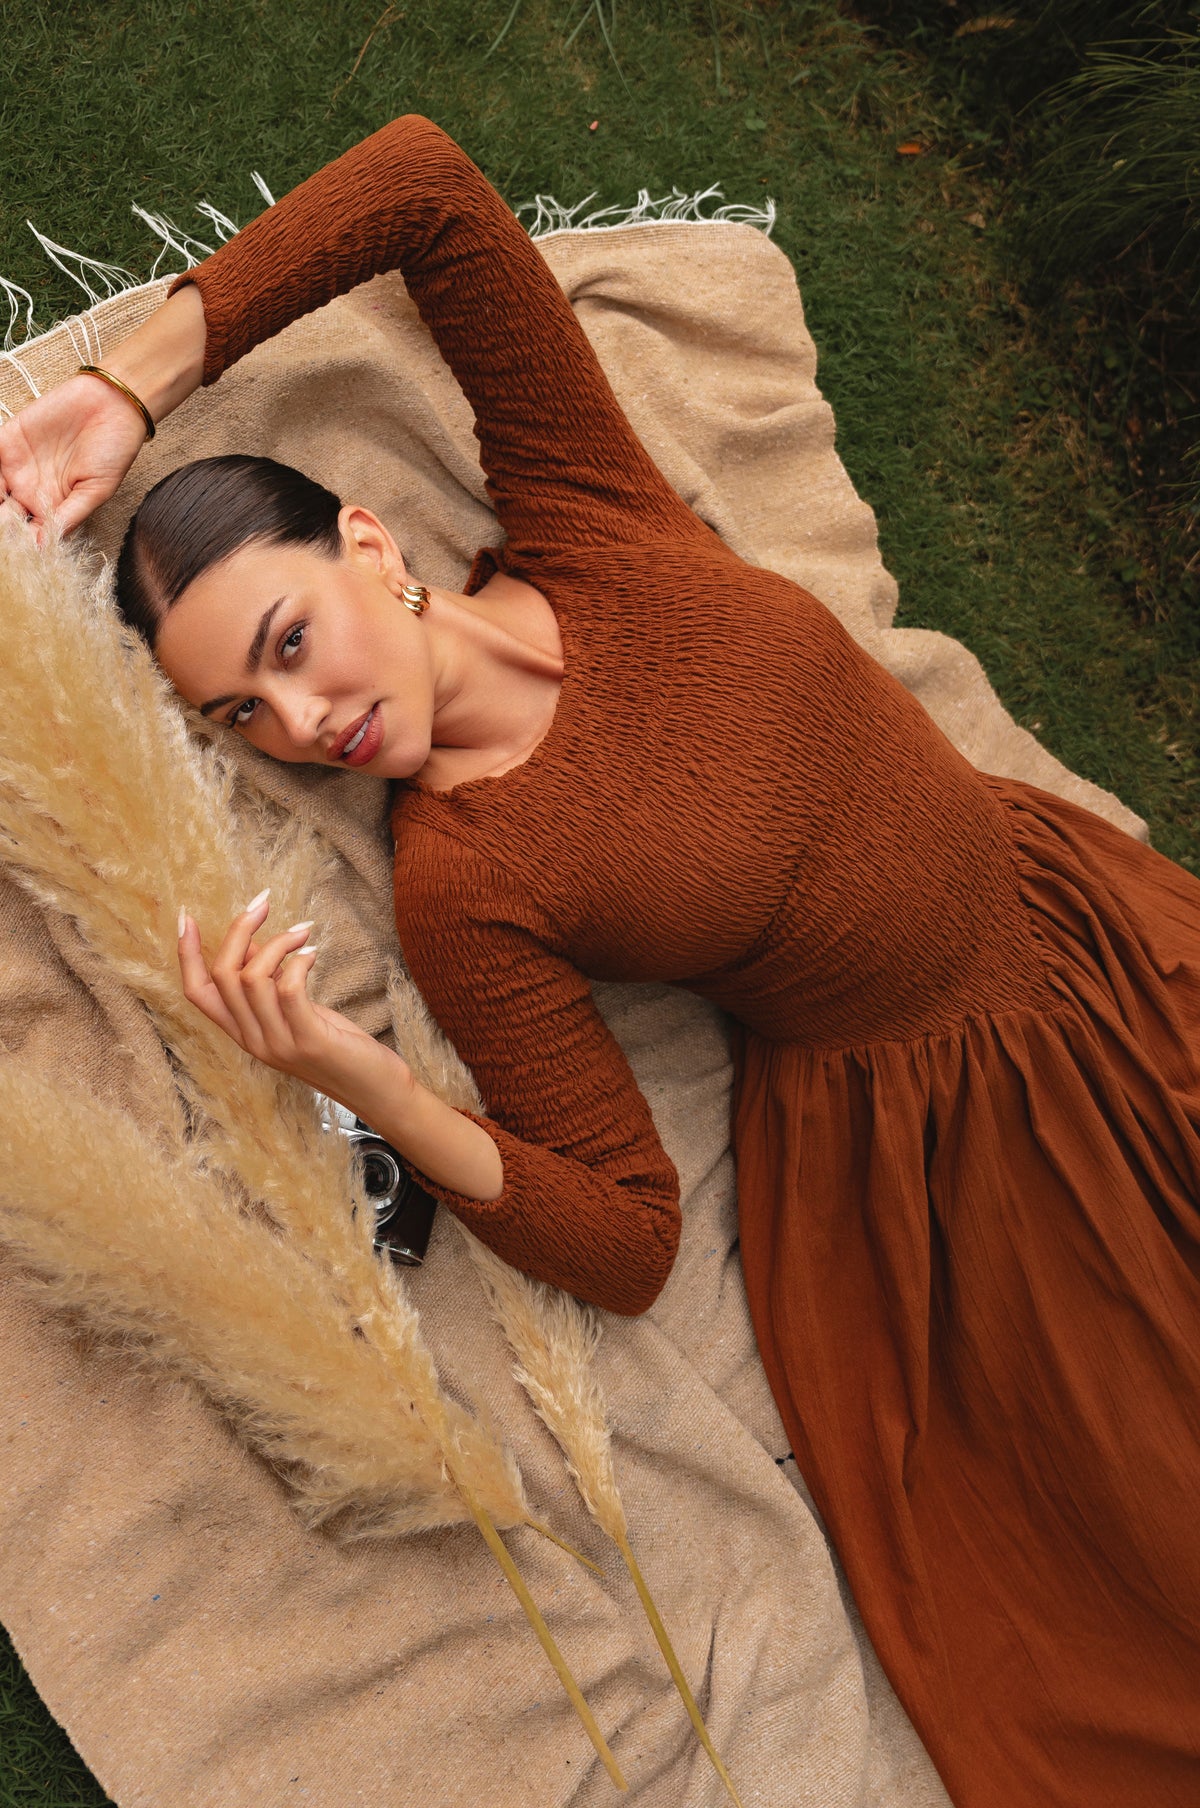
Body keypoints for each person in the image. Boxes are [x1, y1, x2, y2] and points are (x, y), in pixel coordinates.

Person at [1, 115, 1197, 1808]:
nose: (299, 720)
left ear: (369, 546)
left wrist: (124, 389)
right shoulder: (468, 890)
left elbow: (424, 188)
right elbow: (625, 1239)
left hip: (1087, 921)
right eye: (239, 718)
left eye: (285, 644)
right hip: (961, 1143)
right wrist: (358, 1075)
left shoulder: (592, 508)